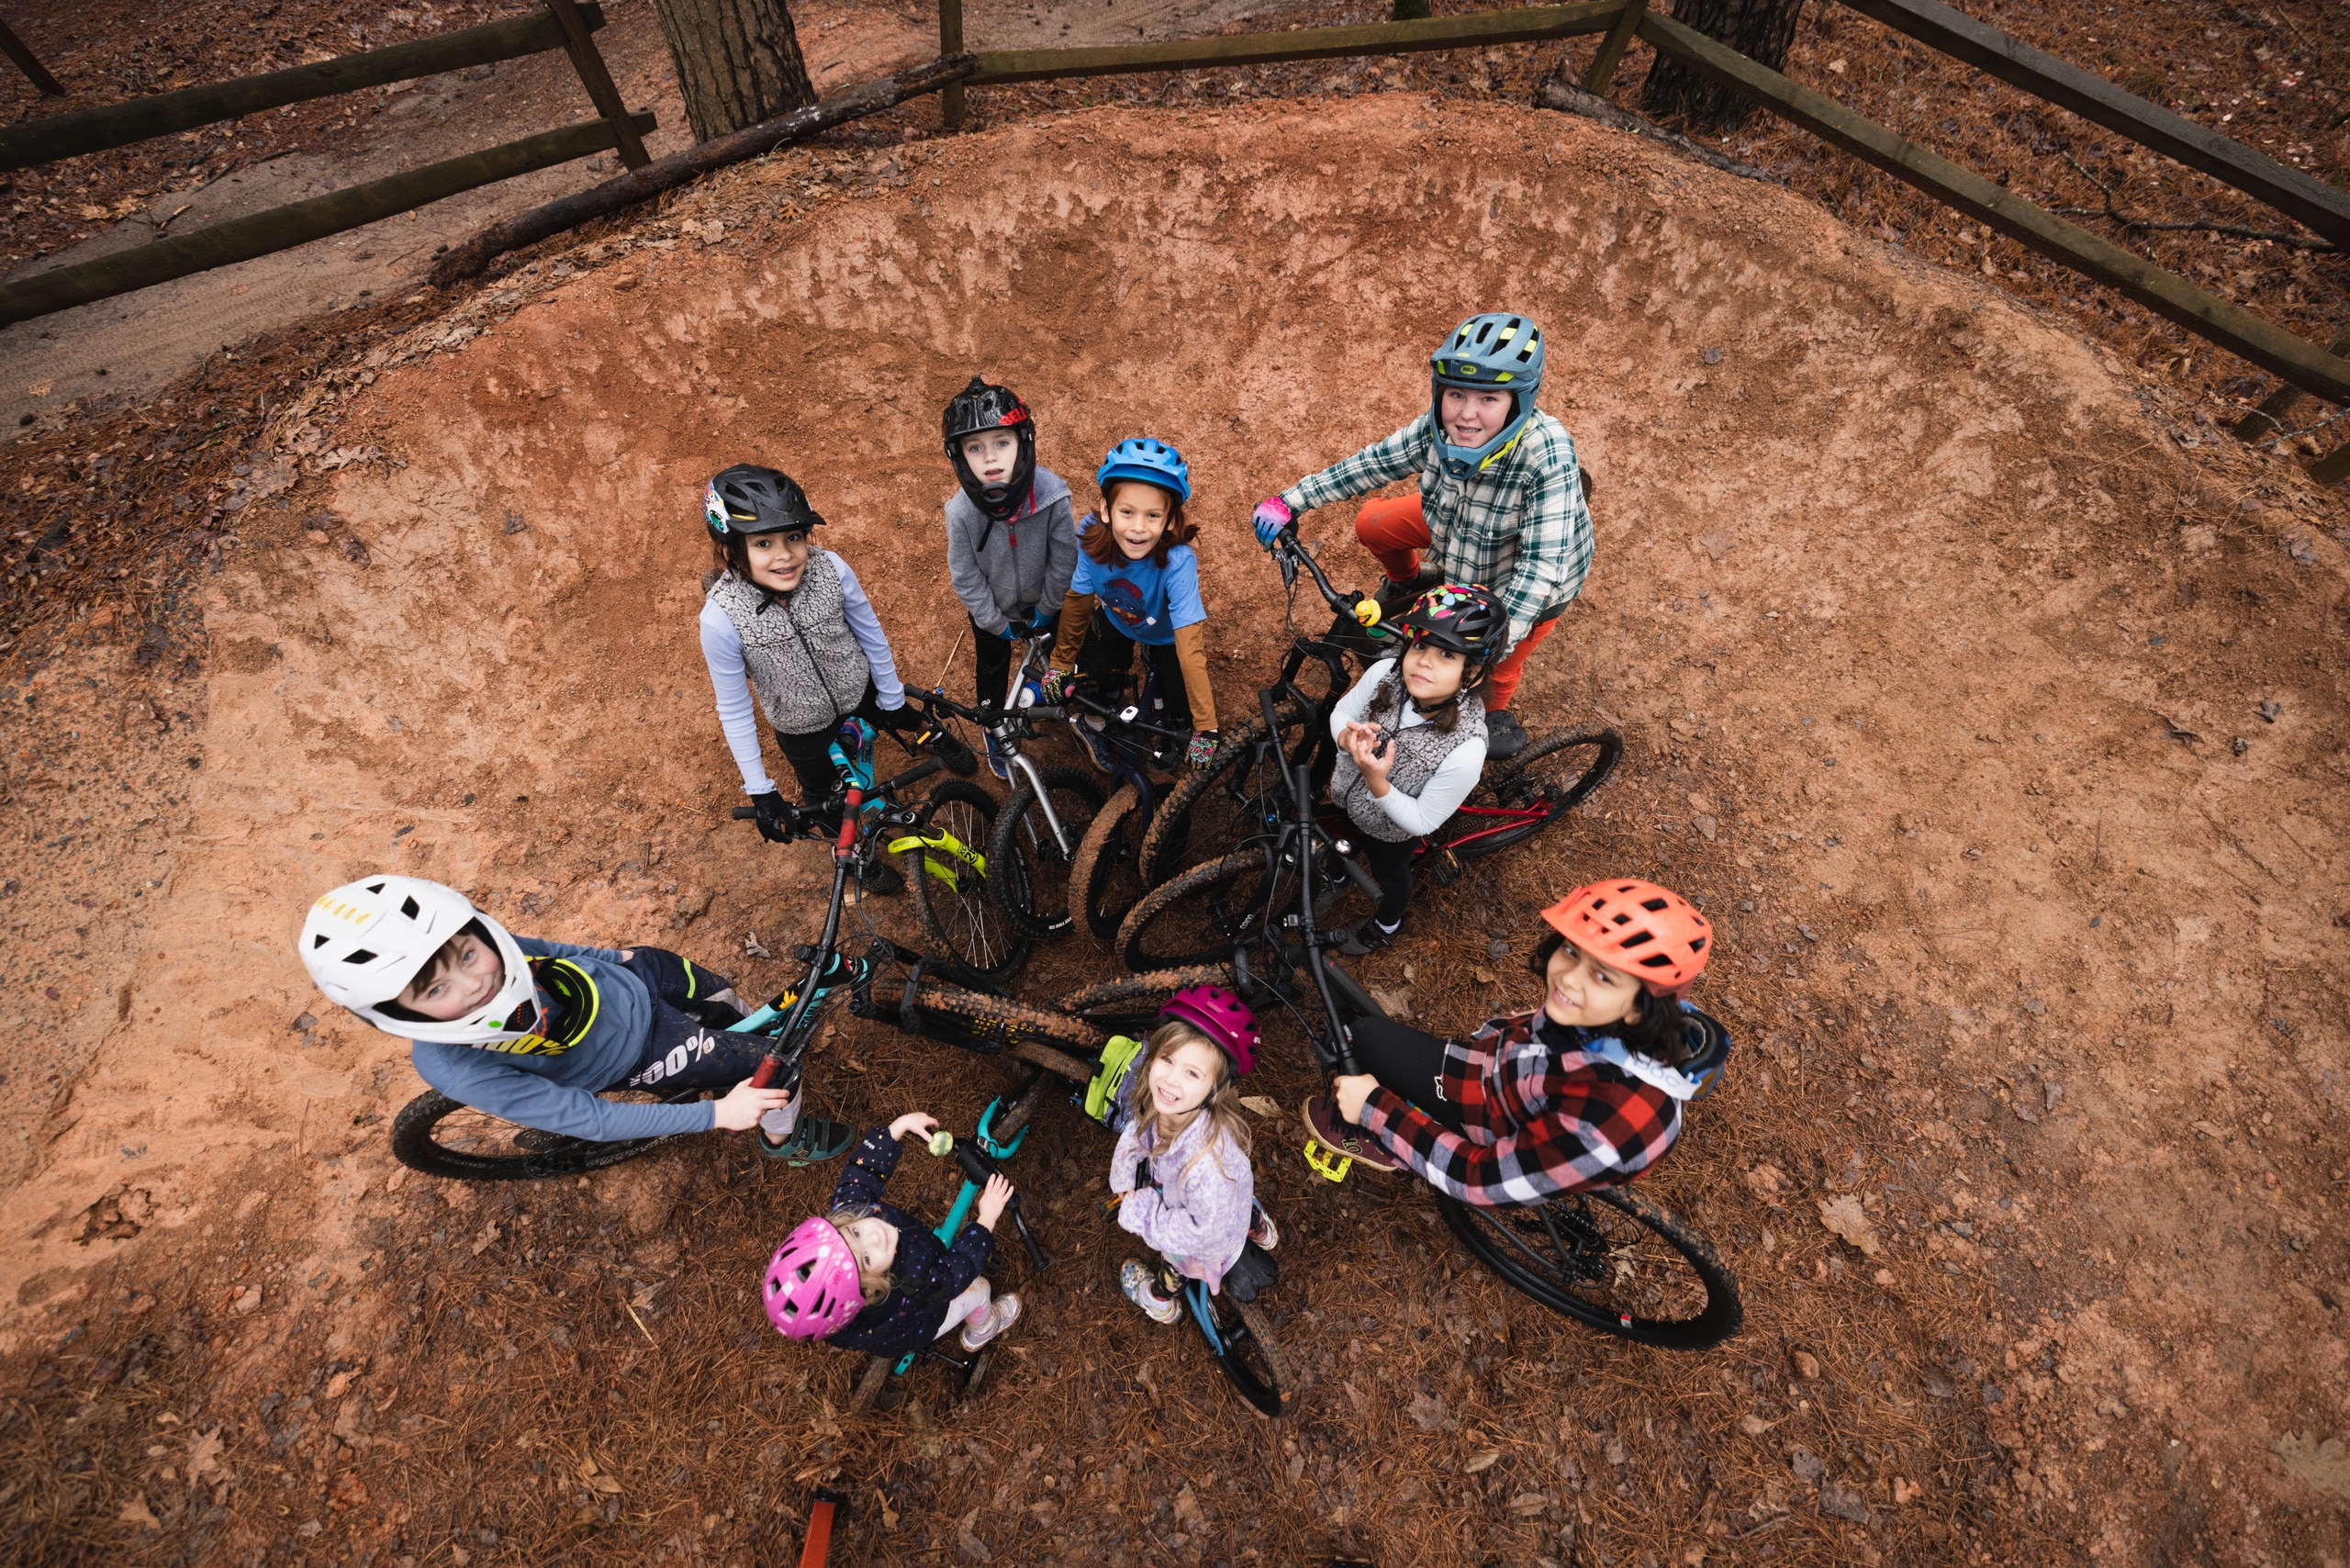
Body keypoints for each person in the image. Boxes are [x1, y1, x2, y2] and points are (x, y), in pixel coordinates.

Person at [298, 875, 855, 1163]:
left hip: (632, 976)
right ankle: (786, 1141)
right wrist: (718, 1115)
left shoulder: (475, 938)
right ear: (397, 1014)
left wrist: (613, 958)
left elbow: (538, 946)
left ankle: (730, 1042)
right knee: (776, 1074)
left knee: (729, 1003)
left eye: (469, 955)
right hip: (638, 1052)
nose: (476, 982)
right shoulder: (452, 1066)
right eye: (437, 987)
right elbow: (595, 1120)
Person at [1250, 311, 1593, 760]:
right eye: (1455, 394)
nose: (1466, 414)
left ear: (1519, 402)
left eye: (1488, 398)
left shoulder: (1546, 452)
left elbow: (1540, 568)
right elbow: (1371, 464)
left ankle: (1486, 718)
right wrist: (1291, 500)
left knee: (1501, 666)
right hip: (1454, 530)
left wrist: (1482, 649)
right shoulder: (1436, 427)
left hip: (1520, 573)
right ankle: (1412, 580)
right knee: (1373, 523)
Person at [1303, 879, 1730, 1201]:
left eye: (1602, 976)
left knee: (1364, 1038)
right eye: (1571, 951)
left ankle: (1388, 1149)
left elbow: (1475, 1179)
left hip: (1490, 1118)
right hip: (1498, 1081)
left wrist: (1374, 1108)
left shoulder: (1608, 1125)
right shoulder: (1613, 1021)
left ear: (1641, 1007)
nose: (1566, 978)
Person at [699, 463, 918, 894]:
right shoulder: (721, 620)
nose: (785, 555)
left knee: (882, 746)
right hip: (802, 730)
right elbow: (735, 708)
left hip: (861, 694)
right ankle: (857, 856)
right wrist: (761, 790)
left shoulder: (831, 569)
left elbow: (871, 634)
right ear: (731, 551)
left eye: (794, 537)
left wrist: (891, 697)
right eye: (763, 543)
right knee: (827, 803)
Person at [1326, 582, 1502, 956]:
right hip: (1345, 794)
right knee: (1337, 837)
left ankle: (1388, 921)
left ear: (1472, 675)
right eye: (1420, 645)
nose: (1424, 661)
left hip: (1392, 831)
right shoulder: (1385, 674)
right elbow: (1342, 713)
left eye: (1447, 656)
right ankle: (1337, 874)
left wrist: (1377, 783)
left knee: (1392, 877)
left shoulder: (1466, 750)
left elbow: (1422, 822)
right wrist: (1345, 738)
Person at [761, 1112, 1024, 1356]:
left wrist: (897, 1128)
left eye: (854, 1232)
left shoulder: (851, 1215)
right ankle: (983, 1328)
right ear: (870, 1292)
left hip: (888, 1330)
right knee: (979, 1289)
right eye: (865, 1259)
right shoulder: (912, 1285)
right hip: (920, 1325)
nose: (872, 1235)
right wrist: (986, 1218)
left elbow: (861, 1176)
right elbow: (957, 1272)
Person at [1041, 438, 1221, 773]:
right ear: (1106, 510)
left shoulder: (1179, 562)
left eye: (1153, 515)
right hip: (1118, 619)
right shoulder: (1090, 532)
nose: (1138, 528)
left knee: (1178, 696)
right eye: (1127, 512)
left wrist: (1205, 726)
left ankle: (1177, 731)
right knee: (1108, 671)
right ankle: (1103, 712)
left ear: (1169, 521)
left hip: (1168, 637)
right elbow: (1078, 600)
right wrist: (1061, 662)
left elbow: (1190, 649)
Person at [1106, 987, 1278, 1323]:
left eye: (1192, 1073)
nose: (1170, 1080)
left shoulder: (1204, 1167)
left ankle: (1161, 1299)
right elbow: (1139, 1134)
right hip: (1233, 1207)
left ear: (1214, 1088)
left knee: (1177, 1266)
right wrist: (1125, 1176)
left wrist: (1145, 1215)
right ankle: (1258, 1228)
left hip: (1203, 1239)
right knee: (1240, 1212)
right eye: (1167, 1059)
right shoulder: (1181, 1108)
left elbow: (1196, 1233)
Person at [940, 375, 1078, 778]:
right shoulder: (960, 512)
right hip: (994, 608)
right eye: (975, 448)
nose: (990, 459)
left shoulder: (1053, 494)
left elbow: (1064, 558)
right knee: (993, 666)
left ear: (1023, 442)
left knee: (1058, 655)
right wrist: (995, 622)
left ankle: (1052, 696)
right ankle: (994, 723)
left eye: (1002, 442)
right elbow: (964, 576)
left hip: (1044, 600)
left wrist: (1049, 606)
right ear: (960, 457)